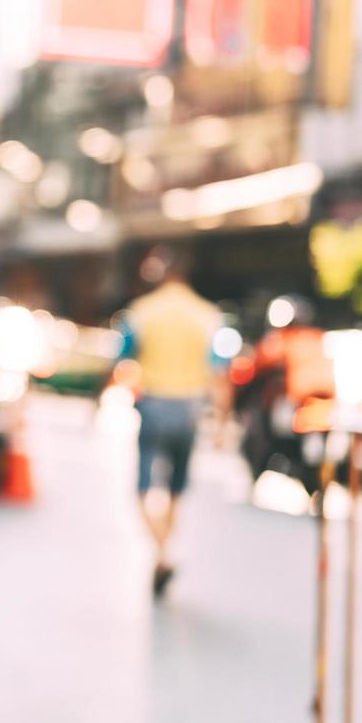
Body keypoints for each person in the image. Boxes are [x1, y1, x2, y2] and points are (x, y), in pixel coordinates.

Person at [118, 246, 226, 598]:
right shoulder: (207, 315)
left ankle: (162, 552)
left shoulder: (142, 312)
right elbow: (220, 372)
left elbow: (120, 360)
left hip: (154, 405)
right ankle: (164, 553)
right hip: (191, 409)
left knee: (144, 490)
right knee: (176, 490)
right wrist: (222, 422)